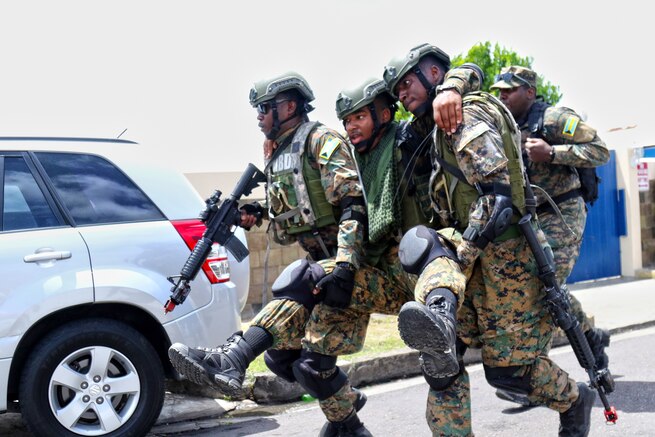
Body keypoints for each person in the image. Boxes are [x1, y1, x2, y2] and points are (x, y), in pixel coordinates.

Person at [384, 43, 596, 436]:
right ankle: (442, 319)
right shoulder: (431, 129)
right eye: (397, 89)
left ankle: (575, 399)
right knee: (441, 362)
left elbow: (497, 200)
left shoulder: (462, 116)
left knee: (510, 373)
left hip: (509, 259)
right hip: (480, 255)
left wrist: (460, 258)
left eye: (407, 83)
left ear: (435, 75)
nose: (401, 94)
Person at [168, 71, 368, 409]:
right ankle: (347, 419)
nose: (259, 116)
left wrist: (346, 264)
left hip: (352, 260)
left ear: (290, 106)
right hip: (319, 261)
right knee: (284, 360)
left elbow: (354, 204)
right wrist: (254, 215)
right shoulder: (277, 154)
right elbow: (290, 216)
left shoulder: (321, 139)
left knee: (299, 284)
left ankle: (233, 356)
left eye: (264, 107)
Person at [490, 66, 611, 406]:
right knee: (543, 289)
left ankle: (533, 378)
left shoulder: (556, 119)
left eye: (509, 90)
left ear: (529, 92)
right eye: (499, 91)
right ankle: (591, 336)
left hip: (564, 211)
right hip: (531, 219)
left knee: (541, 292)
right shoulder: (507, 127)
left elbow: (600, 150)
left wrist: (553, 153)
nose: (502, 96)